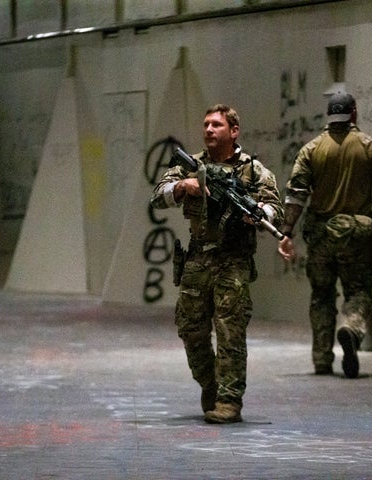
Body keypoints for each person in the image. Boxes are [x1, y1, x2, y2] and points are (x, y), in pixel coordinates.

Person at [150, 104, 283, 423]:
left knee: (230, 331)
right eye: (206, 124)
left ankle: (229, 400)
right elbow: (158, 195)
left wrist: (259, 215)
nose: (209, 130)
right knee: (191, 330)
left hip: (233, 262)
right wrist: (185, 186)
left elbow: (274, 207)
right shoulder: (192, 165)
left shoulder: (254, 170)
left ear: (233, 131)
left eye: (217, 125)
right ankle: (209, 384)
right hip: (196, 262)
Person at [277, 91, 372, 378]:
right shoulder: (370, 147)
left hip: (320, 234)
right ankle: (351, 327)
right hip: (357, 234)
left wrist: (286, 232)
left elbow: (296, 194)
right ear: (354, 113)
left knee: (321, 295)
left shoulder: (311, 149)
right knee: (359, 291)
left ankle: (322, 358)